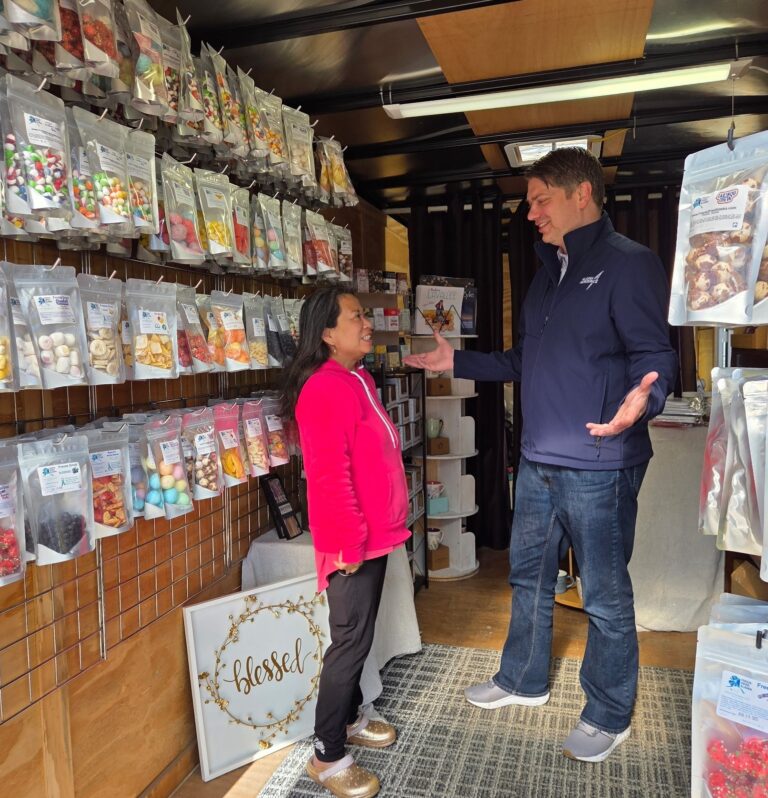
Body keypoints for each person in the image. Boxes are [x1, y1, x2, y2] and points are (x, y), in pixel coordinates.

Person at [404, 147, 678, 763]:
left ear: (582, 194)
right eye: (529, 203)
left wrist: (648, 396)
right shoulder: (545, 273)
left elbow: (653, 355)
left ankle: (609, 713)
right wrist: (458, 361)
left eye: (540, 199)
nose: (531, 213)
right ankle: (521, 679)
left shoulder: (628, 265)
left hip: (600, 465)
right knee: (528, 578)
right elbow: (523, 361)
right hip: (538, 461)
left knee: (604, 595)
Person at [282, 285, 411, 798]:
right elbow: (329, 476)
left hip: (374, 536)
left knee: (358, 637)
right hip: (351, 543)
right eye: (356, 317)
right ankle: (328, 755)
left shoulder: (357, 379)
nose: (367, 323)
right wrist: (348, 545)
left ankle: (353, 715)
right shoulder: (325, 388)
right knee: (349, 642)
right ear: (328, 333)